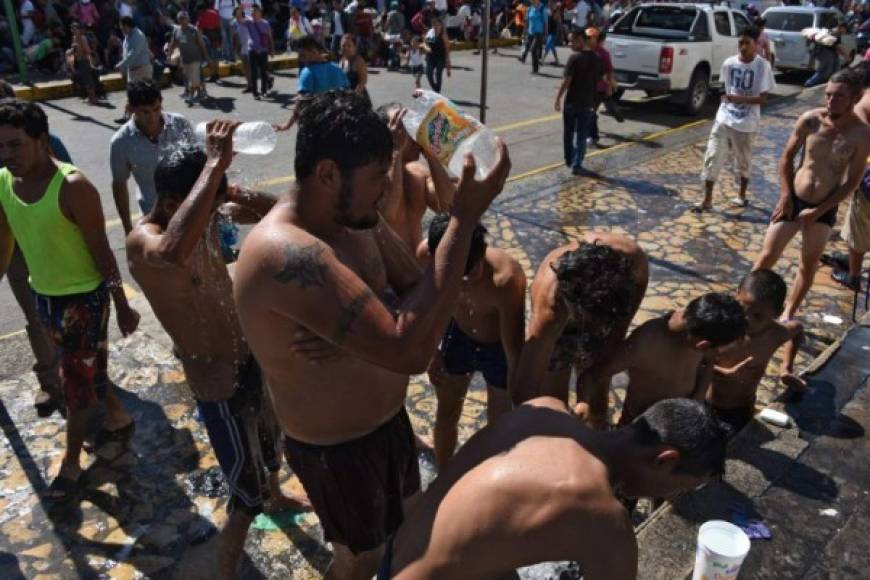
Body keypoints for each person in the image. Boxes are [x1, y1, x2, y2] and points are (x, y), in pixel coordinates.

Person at [234, 91, 511, 579]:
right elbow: (407, 346)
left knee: (408, 533)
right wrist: (463, 220)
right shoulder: (288, 254)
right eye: (377, 177)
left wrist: (368, 324)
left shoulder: (353, 218)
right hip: (337, 449)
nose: (388, 188)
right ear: (327, 174)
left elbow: (414, 285)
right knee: (358, 562)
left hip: (388, 425)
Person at [126, 120, 310, 580]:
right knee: (243, 491)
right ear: (171, 202)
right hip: (214, 381)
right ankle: (225, 567)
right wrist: (210, 170)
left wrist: (232, 191)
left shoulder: (205, 215)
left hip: (249, 356)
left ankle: (278, 491)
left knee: (271, 445)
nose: (215, 215)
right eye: (206, 206)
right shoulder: (145, 240)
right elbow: (170, 253)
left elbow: (281, 215)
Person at [379, 397, 727, 580]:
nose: (665, 498)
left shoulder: (546, 410)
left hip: (392, 561)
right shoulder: (602, 517)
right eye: (679, 488)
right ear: (665, 460)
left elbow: (483, 543)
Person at [0, 100, 140, 499]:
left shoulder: (74, 187)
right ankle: (117, 412)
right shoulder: (3, 183)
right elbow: (4, 243)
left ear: (42, 141)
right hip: (42, 295)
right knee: (79, 367)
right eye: (1, 147)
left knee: (75, 387)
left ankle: (71, 464)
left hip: (84, 301)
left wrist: (124, 304)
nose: (7, 155)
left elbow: (103, 252)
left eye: (16, 145)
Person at [754, 68, 870, 321]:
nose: (830, 101)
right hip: (794, 199)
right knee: (767, 255)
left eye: (838, 96)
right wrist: (785, 196)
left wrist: (818, 211)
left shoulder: (861, 134)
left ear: (856, 97)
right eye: (828, 95)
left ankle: (789, 312)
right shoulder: (811, 120)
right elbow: (786, 158)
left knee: (808, 265)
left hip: (824, 207)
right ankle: (744, 303)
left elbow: (852, 182)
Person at [418, 215, 526, 470]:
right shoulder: (425, 256)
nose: (462, 282)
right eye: (453, 273)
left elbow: (513, 346)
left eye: (469, 272)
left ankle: (491, 477)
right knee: (446, 412)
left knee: (499, 423)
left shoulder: (505, 278)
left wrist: (516, 386)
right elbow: (426, 307)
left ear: (482, 253)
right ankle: (443, 474)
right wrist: (433, 353)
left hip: (497, 345)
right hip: (459, 335)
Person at [510, 235, 648, 429]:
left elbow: (616, 335)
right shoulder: (550, 309)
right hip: (563, 326)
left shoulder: (633, 260)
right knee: (555, 406)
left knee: (597, 402)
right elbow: (524, 388)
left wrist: (586, 398)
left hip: (603, 307)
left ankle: (597, 428)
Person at [0, 82, 72, 417]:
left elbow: (69, 185)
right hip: (14, 250)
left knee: (67, 317)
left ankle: (81, 382)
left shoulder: (46, 142)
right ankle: (51, 382)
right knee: (35, 318)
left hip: (52, 244)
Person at [599, 293, 747, 427]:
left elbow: (708, 363)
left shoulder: (700, 325)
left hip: (677, 419)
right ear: (703, 345)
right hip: (639, 422)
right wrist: (589, 407)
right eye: (714, 349)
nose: (713, 353)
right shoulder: (648, 341)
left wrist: (697, 399)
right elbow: (597, 373)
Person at [709, 270, 804, 434]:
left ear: (778, 313)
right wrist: (721, 372)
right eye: (741, 309)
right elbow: (694, 359)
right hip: (707, 403)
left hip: (742, 408)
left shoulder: (775, 334)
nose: (747, 319)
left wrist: (786, 368)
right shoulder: (721, 326)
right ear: (736, 295)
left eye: (758, 316)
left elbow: (798, 330)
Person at [694, 25, 775, 212]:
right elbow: (726, 89)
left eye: (747, 43)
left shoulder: (762, 66)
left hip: (746, 123)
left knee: (743, 161)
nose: (743, 47)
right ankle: (707, 199)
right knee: (712, 156)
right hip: (724, 117)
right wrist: (729, 100)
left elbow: (763, 99)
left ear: (756, 45)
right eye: (740, 43)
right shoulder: (729, 63)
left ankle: (742, 195)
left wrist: (739, 99)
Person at [110, 80, 195, 235]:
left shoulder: (180, 124)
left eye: (156, 109)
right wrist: (127, 227)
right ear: (131, 109)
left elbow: (197, 164)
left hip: (190, 208)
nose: (153, 118)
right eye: (145, 112)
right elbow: (119, 185)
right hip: (157, 218)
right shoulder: (121, 142)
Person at [376, 103, 456, 252]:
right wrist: (396, 149)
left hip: (418, 268)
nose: (413, 134)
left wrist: (431, 155)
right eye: (402, 128)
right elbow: (387, 214)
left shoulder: (418, 173)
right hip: (390, 273)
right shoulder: (373, 178)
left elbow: (451, 209)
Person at [831, 63, 870, 291]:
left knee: (858, 225)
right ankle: (852, 259)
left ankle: (854, 276)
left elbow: (859, 141)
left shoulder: (862, 104)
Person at [274, 36, 348, 132]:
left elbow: (301, 102)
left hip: (316, 126)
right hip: (339, 123)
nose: (300, 59)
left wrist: (288, 124)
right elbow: (347, 95)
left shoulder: (308, 72)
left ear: (314, 51)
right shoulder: (337, 69)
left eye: (303, 55)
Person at [555, 29, 602, 177]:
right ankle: (577, 164)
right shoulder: (597, 58)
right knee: (581, 135)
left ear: (581, 40)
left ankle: (570, 159)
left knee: (569, 133)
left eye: (572, 41)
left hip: (572, 103)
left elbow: (566, 81)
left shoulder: (574, 59)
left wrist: (558, 98)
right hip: (588, 103)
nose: (569, 44)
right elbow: (599, 81)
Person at [588, 27, 624, 147]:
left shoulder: (604, 54)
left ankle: (593, 136)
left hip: (601, 87)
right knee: (592, 111)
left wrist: (610, 86)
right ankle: (592, 135)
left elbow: (609, 71)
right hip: (591, 88)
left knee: (603, 107)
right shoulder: (589, 52)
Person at [166, 11, 209, 103]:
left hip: (195, 58)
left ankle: (196, 94)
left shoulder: (194, 30)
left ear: (188, 19)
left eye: (184, 18)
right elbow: (173, 44)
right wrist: (169, 55)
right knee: (188, 77)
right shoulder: (176, 31)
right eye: (180, 18)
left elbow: (202, 44)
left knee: (195, 79)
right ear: (178, 20)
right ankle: (196, 93)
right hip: (185, 59)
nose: (182, 20)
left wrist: (206, 57)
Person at [245, 4, 274, 100]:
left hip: (263, 50)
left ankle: (264, 91)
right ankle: (255, 92)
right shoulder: (248, 22)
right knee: (253, 72)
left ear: (259, 12)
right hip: (252, 50)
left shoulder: (265, 23)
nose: (253, 13)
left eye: (255, 11)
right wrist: (240, 8)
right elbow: (238, 18)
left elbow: (270, 37)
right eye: (252, 11)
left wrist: (272, 49)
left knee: (263, 71)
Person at [67, 22, 99, 105]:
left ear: (79, 30)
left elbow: (88, 51)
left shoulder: (82, 38)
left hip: (84, 61)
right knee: (85, 80)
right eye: (72, 29)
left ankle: (93, 98)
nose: (73, 30)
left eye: (75, 29)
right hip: (78, 61)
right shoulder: (74, 38)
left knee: (88, 80)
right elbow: (73, 50)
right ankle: (90, 97)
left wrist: (90, 61)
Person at [117, 16, 153, 82]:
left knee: (144, 92)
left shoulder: (138, 36)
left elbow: (133, 53)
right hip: (132, 72)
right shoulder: (126, 37)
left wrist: (122, 65)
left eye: (122, 28)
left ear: (127, 26)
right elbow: (126, 54)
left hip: (142, 71)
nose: (121, 30)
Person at [196, 2, 223, 82]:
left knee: (210, 57)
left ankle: (213, 75)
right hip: (217, 37)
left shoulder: (201, 15)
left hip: (207, 38)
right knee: (216, 57)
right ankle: (216, 75)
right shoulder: (214, 13)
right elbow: (219, 26)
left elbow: (199, 29)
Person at [340, 34, 370, 104]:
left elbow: (362, 82)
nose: (346, 48)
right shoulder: (342, 60)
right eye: (343, 45)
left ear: (355, 47)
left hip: (357, 99)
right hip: (344, 98)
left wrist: (353, 97)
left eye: (349, 46)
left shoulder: (358, 61)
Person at [423, 18, 451, 93]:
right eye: (434, 24)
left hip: (440, 57)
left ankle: (437, 91)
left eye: (438, 25)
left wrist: (448, 60)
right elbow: (425, 43)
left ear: (441, 26)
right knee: (428, 73)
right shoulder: (430, 33)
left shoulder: (443, 35)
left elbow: (447, 48)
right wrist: (427, 48)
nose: (436, 26)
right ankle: (435, 88)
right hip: (431, 57)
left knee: (438, 73)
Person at [519, 0, 547, 74]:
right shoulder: (530, 9)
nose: (532, 1)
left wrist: (545, 34)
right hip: (530, 32)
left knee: (533, 49)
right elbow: (527, 21)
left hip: (539, 33)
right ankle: (535, 67)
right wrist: (524, 32)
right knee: (531, 49)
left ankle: (535, 69)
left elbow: (545, 23)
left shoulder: (542, 9)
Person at [233, 6, 254, 93]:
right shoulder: (234, 22)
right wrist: (236, 49)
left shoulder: (248, 20)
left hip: (251, 46)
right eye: (237, 13)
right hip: (242, 47)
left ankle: (267, 78)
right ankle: (249, 85)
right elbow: (235, 36)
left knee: (254, 66)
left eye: (240, 12)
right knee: (246, 67)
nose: (239, 14)